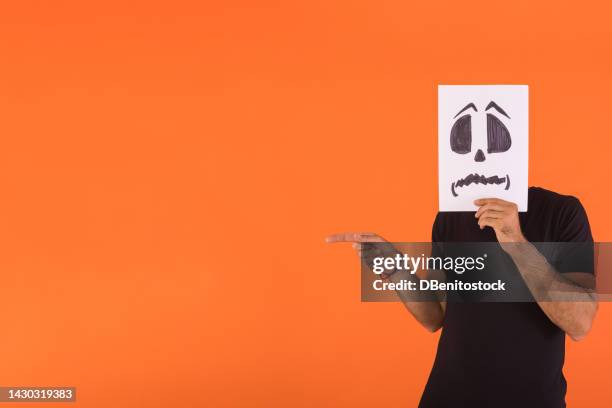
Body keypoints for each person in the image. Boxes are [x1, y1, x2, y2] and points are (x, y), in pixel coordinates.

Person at [327, 187, 597, 408]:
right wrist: (396, 269)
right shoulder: (449, 217)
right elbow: (436, 316)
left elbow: (580, 323)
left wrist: (516, 242)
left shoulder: (561, 212)